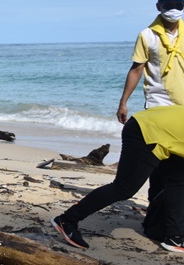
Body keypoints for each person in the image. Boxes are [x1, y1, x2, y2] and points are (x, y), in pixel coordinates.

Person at [51, 105, 184, 253]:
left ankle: (173, 236)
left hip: (161, 129)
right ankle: (67, 220)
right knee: (124, 188)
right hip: (146, 131)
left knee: (179, 181)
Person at [117, 0, 184, 202]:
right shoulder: (147, 35)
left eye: (178, 4)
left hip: (182, 111)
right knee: (159, 167)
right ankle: (153, 213)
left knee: (179, 169)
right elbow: (137, 69)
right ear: (159, 5)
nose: (173, 8)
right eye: (168, 4)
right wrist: (123, 102)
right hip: (158, 106)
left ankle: (169, 218)